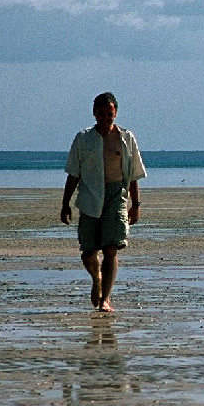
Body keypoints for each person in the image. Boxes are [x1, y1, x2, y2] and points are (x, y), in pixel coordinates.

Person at [60, 92, 147, 312]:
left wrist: (135, 205)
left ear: (115, 113)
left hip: (117, 195)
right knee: (88, 253)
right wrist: (65, 203)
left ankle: (105, 298)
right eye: (100, 113)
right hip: (90, 194)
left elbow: (134, 174)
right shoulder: (83, 139)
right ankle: (96, 279)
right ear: (94, 113)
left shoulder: (126, 138)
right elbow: (73, 174)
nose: (105, 118)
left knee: (111, 249)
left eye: (109, 113)